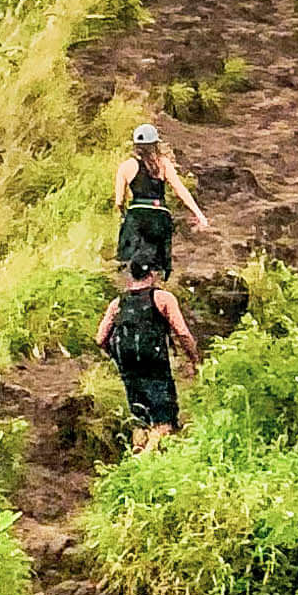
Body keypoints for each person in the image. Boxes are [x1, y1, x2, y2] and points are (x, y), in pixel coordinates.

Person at [98, 249, 200, 445]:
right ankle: (146, 458)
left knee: (140, 420)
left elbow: (100, 337)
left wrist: (115, 356)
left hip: (127, 365)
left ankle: (138, 451)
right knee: (164, 421)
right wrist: (194, 359)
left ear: (131, 274)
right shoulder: (163, 298)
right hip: (154, 363)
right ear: (153, 273)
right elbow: (183, 333)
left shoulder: (118, 302)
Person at [114, 120, 208, 272]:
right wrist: (199, 214)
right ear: (156, 144)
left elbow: (119, 201)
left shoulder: (126, 166)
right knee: (157, 266)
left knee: (127, 263)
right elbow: (180, 189)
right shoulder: (163, 164)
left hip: (136, 215)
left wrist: (124, 215)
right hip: (159, 216)